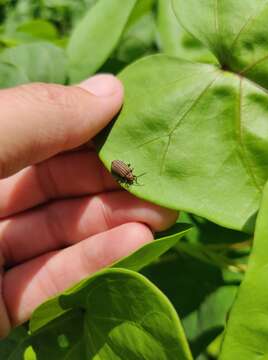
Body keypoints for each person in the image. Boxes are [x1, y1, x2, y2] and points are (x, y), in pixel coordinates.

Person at [0, 74, 177, 338]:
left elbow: (121, 169)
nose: (129, 176)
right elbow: (120, 169)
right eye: (129, 176)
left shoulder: (122, 172)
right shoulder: (122, 171)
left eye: (129, 177)